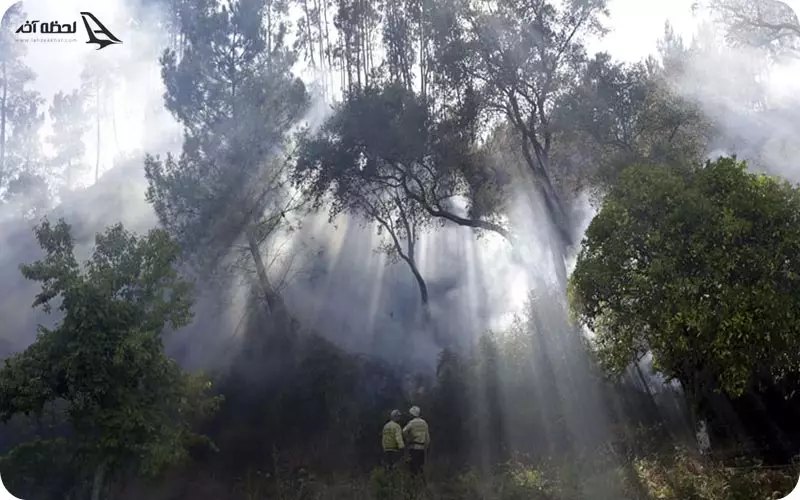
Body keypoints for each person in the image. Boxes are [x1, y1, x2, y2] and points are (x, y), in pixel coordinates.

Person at [402, 405, 429, 476]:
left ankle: (414, 484)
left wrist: (408, 439)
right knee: (421, 467)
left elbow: (404, 431)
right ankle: (422, 483)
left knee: (413, 469)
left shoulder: (411, 423)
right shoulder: (424, 422)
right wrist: (426, 446)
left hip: (413, 447)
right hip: (422, 448)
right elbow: (427, 437)